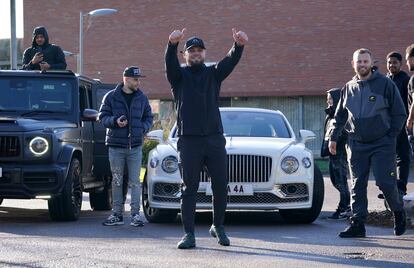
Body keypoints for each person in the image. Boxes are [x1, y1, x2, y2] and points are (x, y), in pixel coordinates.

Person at [165, 28, 248, 249]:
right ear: (185, 54)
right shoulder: (178, 77)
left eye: (200, 50)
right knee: (189, 188)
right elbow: (169, 63)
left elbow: (229, 62)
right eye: (191, 51)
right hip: (189, 140)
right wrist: (172, 44)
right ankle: (189, 234)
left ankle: (218, 226)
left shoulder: (213, 74)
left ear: (204, 53)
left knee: (221, 185)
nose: (196, 54)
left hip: (214, 139)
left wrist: (238, 46)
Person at [329, 48, 407, 238]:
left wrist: (391, 137)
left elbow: (400, 112)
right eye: (359, 61)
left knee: (385, 182)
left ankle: (398, 212)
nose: (362, 65)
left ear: (371, 63)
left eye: (365, 61)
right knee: (358, 184)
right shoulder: (348, 87)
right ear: (353, 64)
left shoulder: (385, 84)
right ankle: (358, 224)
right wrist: (332, 137)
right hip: (356, 144)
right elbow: (340, 116)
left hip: (382, 143)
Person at [99, 66, 153, 227]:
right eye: (135, 79)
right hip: (116, 146)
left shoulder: (142, 98)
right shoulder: (111, 97)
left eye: (138, 79)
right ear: (126, 79)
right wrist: (115, 121)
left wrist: (142, 128)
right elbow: (102, 117)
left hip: (135, 146)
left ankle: (135, 215)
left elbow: (148, 117)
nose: (138, 82)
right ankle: (117, 214)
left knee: (135, 181)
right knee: (116, 180)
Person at [321, 88, 351, 220]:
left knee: (341, 181)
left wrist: (337, 144)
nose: (328, 101)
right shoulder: (330, 115)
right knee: (335, 181)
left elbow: (344, 133)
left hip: (340, 153)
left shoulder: (342, 116)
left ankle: (345, 208)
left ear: (338, 99)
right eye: (327, 98)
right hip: (332, 153)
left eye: (331, 98)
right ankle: (345, 206)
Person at [385, 51, 411, 197]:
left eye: (394, 62)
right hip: (386, 125)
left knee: (403, 157)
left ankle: (401, 187)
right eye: (389, 62)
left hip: (402, 124)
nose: (391, 65)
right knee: (388, 156)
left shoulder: (405, 79)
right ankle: (390, 187)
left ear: (400, 64)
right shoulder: (385, 80)